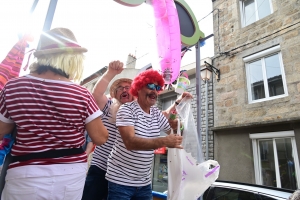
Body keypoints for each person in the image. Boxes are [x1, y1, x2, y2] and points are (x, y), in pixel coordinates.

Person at [0, 27, 108, 200]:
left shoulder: (13, 87)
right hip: (70, 174)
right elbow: (100, 137)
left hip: (25, 172)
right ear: (71, 58)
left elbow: (2, 129)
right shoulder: (81, 94)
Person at [82, 62, 191, 200]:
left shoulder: (152, 112)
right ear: (138, 89)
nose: (124, 90)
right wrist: (110, 72)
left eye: (127, 87)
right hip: (107, 170)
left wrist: (179, 105)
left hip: (139, 180)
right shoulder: (111, 106)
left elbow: (166, 118)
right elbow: (96, 95)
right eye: (120, 88)